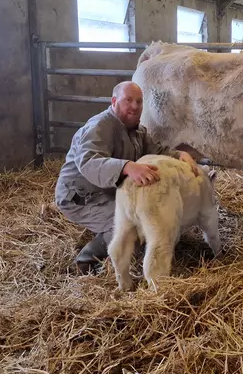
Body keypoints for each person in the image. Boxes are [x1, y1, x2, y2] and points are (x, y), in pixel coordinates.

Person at [54, 81, 199, 274]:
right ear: (114, 101)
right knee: (129, 227)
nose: (135, 106)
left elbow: (157, 151)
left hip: (109, 192)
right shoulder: (100, 126)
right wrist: (126, 166)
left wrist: (179, 155)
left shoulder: (138, 130)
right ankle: (86, 261)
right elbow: (89, 161)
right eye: (128, 100)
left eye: (139, 102)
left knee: (146, 220)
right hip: (80, 196)